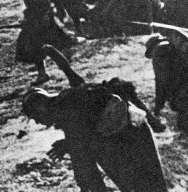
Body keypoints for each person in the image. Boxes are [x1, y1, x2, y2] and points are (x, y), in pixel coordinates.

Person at [22, 81, 168, 192]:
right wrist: (69, 144)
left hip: (129, 135)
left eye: (35, 115)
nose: (37, 121)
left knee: (142, 187)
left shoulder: (65, 109)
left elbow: (83, 164)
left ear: (41, 105)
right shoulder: (68, 98)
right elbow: (87, 135)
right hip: (136, 128)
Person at [16, 0, 84, 86]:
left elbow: (48, 2)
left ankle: (70, 74)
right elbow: (29, 7)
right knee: (37, 49)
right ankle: (43, 73)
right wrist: (26, 19)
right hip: (34, 22)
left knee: (51, 47)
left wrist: (46, 16)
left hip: (45, 22)